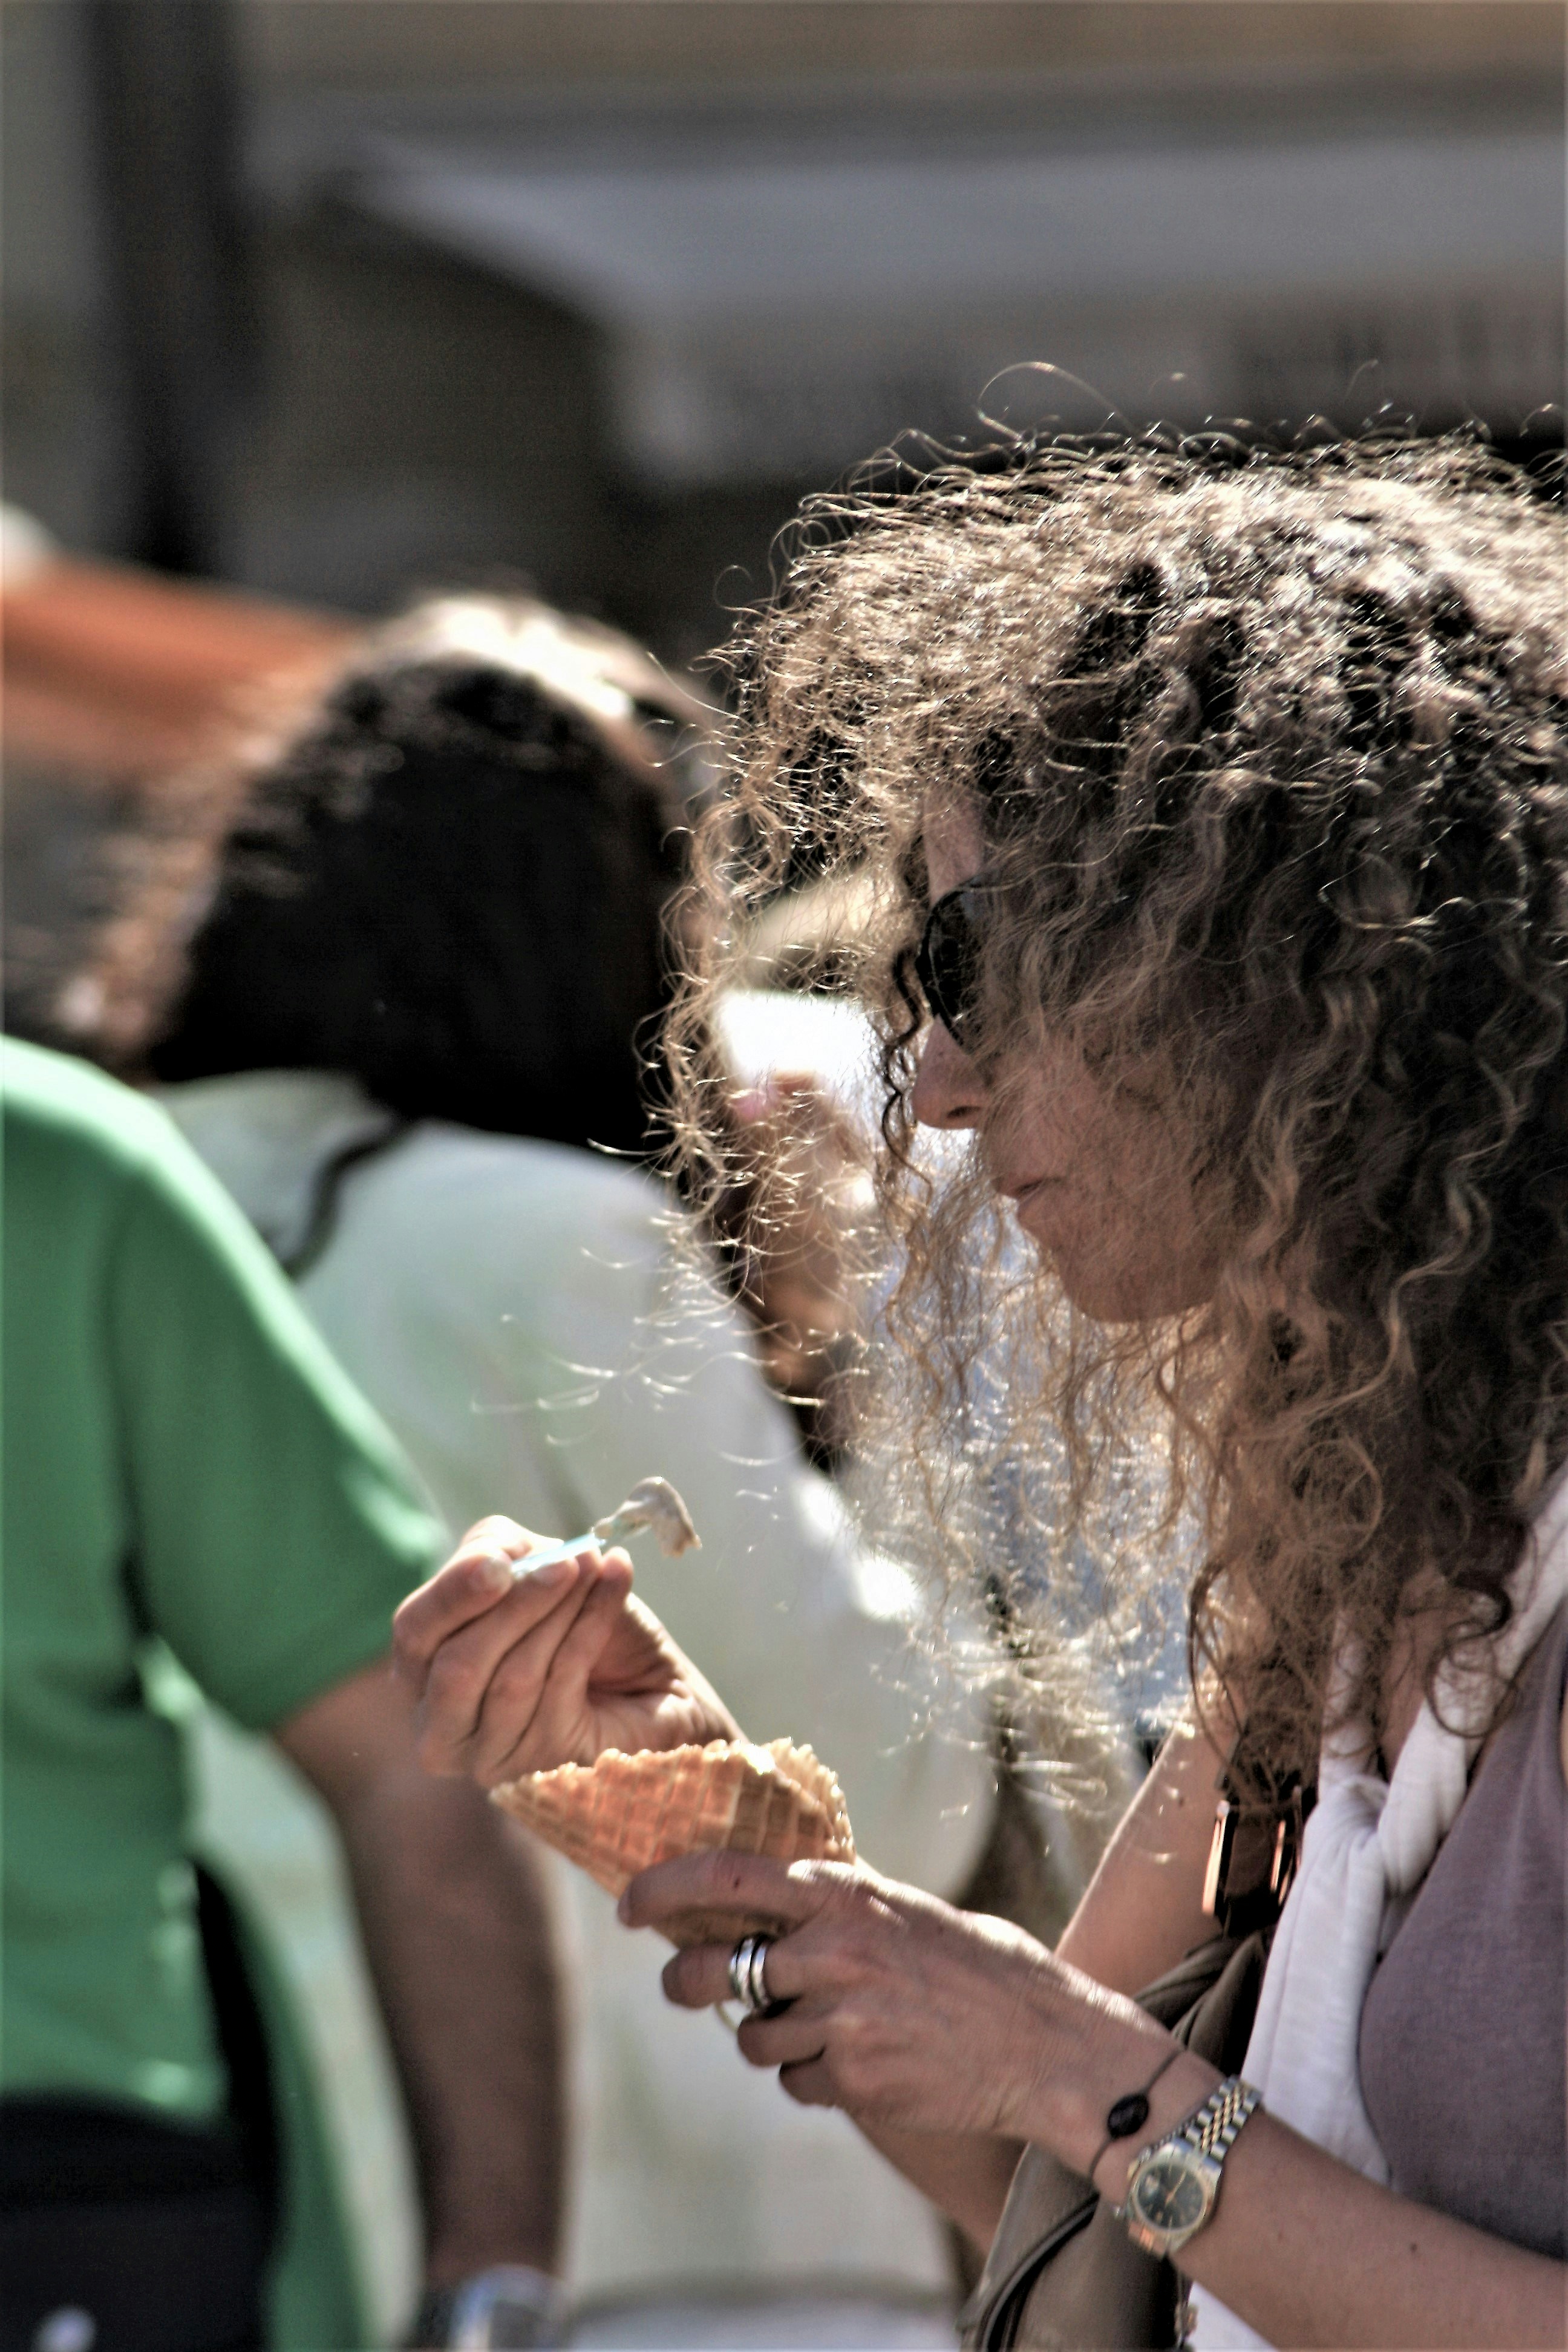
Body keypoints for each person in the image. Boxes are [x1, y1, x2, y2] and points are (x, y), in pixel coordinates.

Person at [391, 438, 1568, 2350]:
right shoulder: (1344, 1549)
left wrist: (1075, 2072)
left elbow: (1101, 2112)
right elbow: (1074, 2208)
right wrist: (735, 1856)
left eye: (967, 958)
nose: (930, 1081)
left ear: (1264, 958)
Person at [64, 594, 1000, 2321]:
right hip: (680, 2264)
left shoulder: (99, 1207)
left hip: (264, 2221)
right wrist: (863, 1355)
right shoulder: (556, 1239)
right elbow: (902, 1795)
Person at [1, 1039, 566, 2352]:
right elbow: (410, 1758)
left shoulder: (69, 1167)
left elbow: (409, 1757)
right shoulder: (68, 1161)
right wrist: (497, 2299)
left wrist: (494, 2295)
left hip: (75, 2197)